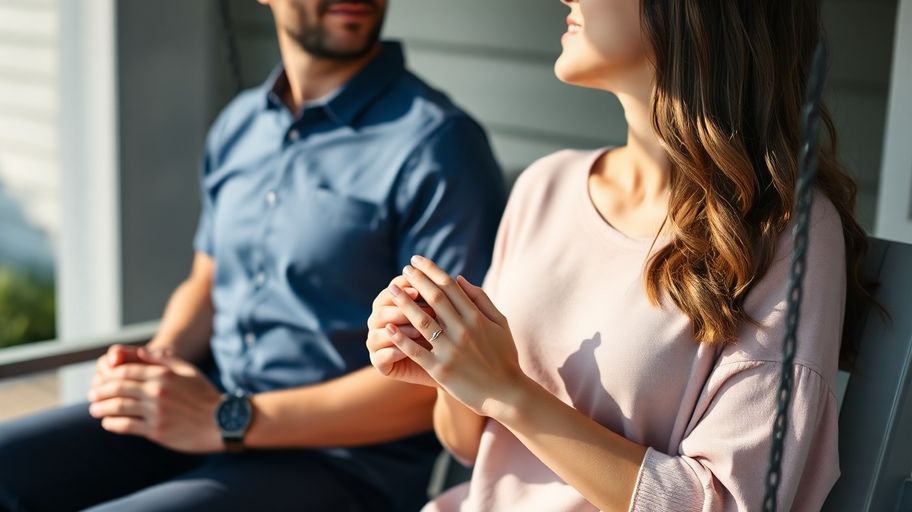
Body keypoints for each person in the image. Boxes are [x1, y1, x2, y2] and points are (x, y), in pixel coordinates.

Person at [0, 0, 505, 510]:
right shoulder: (240, 125)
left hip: (340, 464)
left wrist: (225, 419)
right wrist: (160, 360)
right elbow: (205, 283)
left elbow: (445, 372)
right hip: (213, 410)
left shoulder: (439, 145)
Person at [367, 0, 868, 510]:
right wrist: (449, 362)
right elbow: (471, 444)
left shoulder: (785, 235)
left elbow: (727, 502)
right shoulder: (546, 186)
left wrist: (507, 391)